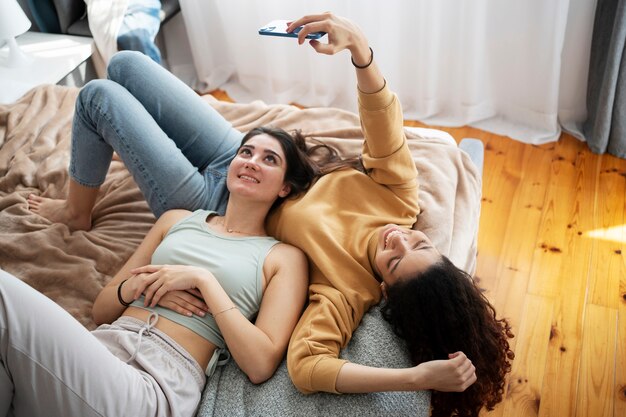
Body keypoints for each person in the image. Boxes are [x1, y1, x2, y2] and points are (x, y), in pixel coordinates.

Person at [28, 12, 513, 417]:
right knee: (127, 63)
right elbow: (383, 122)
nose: (398, 239)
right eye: (419, 242)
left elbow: (310, 366)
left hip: (215, 204)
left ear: (384, 286)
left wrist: (415, 377)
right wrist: (360, 50)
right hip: (255, 161)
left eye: (394, 259)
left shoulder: (347, 291)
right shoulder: (399, 200)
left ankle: (76, 213)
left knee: (98, 97)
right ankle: (245, 155)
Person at [3, 125, 313, 416]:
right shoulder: (176, 220)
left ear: (285, 187)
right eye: (246, 152)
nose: (251, 162)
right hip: (102, 349)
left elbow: (260, 364)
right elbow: (102, 309)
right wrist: (145, 287)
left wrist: (203, 281)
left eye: (269, 159)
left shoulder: (283, 257)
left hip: (155, 382)